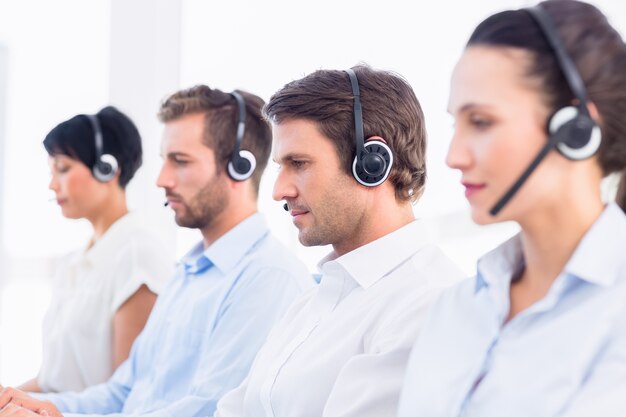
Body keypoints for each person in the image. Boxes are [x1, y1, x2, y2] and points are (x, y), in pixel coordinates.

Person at [0, 85, 312, 416]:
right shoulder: (187, 274)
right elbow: (124, 392)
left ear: (239, 167)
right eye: (165, 160)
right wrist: (44, 407)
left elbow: (209, 411)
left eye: (179, 161)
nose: (161, 179)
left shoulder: (267, 278)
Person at [397, 1, 626, 416]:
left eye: (481, 122)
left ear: (575, 131)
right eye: (456, 124)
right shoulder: (456, 307)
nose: (452, 156)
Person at [213, 64, 465, 417]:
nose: (278, 191)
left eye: (298, 163)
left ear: (373, 162)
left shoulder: (429, 303)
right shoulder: (312, 302)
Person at [19, 106, 173, 393]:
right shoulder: (74, 264)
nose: (52, 185)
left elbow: (126, 395)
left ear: (107, 169)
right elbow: (50, 381)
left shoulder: (138, 257)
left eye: (63, 169)